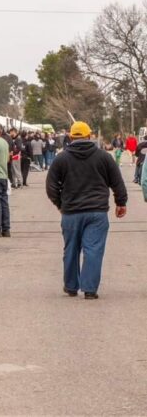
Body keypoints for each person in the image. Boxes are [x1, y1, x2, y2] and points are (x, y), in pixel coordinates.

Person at [47, 121, 127, 299]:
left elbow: (51, 186)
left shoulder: (61, 158)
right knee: (93, 249)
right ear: (89, 136)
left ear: (71, 136)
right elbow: (117, 182)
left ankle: (71, 286)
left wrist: (60, 204)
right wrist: (121, 203)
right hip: (97, 212)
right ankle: (90, 289)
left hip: (71, 212)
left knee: (71, 249)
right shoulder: (103, 157)